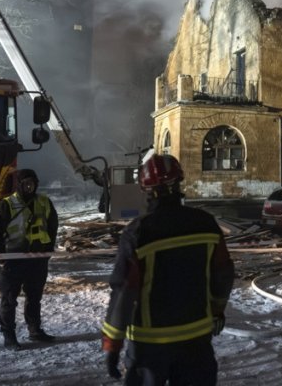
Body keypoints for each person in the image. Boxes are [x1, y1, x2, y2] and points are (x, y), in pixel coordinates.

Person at [101, 153, 235, 385]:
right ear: (179, 182)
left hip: (150, 344)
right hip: (196, 339)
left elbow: (124, 290)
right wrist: (216, 310)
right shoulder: (205, 223)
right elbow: (223, 274)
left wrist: (112, 343)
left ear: (146, 190)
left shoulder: (138, 232)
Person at [0, 168, 58, 350]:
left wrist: (47, 251)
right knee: (9, 299)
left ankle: (35, 330)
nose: (29, 186)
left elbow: (52, 226)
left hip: (37, 260)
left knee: (34, 297)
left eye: (32, 183)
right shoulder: (6, 205)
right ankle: (9, 336)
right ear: (18, 185)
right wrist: (0, 257)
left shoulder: (44, 202)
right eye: (25, 183)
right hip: (13, 259)